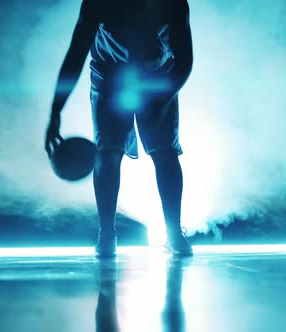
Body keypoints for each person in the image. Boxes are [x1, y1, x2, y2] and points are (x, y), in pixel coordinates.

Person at [45, 0, 193, 257]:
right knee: (110, 153)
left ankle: (172, 233)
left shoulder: (173, 2)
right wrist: (56, 110)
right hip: (110, 80)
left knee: (163, 153)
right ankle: (107, 234)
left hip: (155, 79)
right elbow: (76, 54)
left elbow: (185, 60)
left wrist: (164, 97)